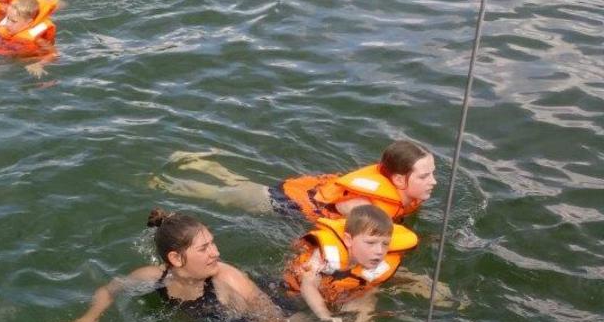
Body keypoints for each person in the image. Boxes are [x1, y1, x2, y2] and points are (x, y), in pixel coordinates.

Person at [48, 209, 282, 322]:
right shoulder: (153, 277)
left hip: (264, 313)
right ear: (176, 259)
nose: (216, 252)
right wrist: (88, 318)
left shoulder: (226, 278)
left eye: (212, 243)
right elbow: (109, 290)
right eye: (204, 248)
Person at [152, 140, 437, 222]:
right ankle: (166, 184)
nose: (433, 181)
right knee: (222, 196)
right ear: (398, 179)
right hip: (289, 202)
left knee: (242, 186)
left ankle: (204, 164)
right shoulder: (374, 206)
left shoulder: (398, 195)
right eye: (424, 176)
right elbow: (346, 208)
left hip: (305, 190)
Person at [283, 204, 417, 322]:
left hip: (339, 294)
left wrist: (364, 314)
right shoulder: (323, 256)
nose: (379, 251)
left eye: (385, 244)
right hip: (290, 295)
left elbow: (368, 287)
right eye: (371, 243)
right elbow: (308, 284)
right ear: (348, 240)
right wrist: (325, 316)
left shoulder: (377, 264)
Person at [0, 0, 59, 76]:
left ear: (28, 22)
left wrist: (39, 64)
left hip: (25, 60)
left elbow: (54, 54)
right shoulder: (6, 29)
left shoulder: (38, 40)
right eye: (7, 18)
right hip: (7, 55)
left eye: (13, 21)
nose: (7, 24)